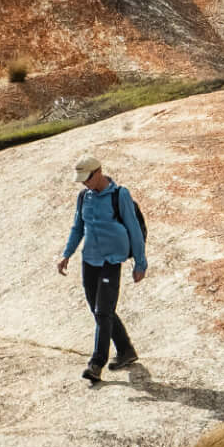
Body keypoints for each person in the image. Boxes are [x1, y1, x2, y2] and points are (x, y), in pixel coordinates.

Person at [55, 150, 147, 386]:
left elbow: (134, 229)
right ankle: (126, 350)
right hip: (90, 260)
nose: (84, 183)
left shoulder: (120, 195)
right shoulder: (83, 197)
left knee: (103, 311)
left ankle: (96, 364)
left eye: (87, 177)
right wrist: (66, 254)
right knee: (100, 311)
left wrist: (140, 262)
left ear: (99, 172)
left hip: (111, 261)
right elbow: (77, 228)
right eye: (82, 179)